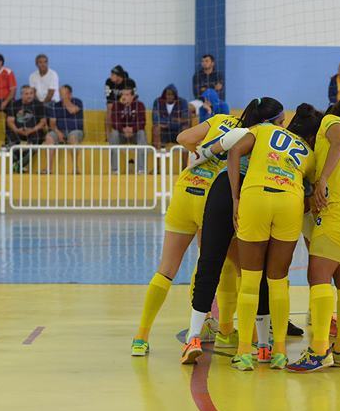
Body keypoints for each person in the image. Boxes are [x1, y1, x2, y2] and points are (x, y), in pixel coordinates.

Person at [180, 98, 287, 365]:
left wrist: (199, 158)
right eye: (281, 122)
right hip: (251, 193)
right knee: (255, 270)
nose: (283, 127)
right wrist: (237, 196)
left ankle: (193, 335)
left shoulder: (239, 132)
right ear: (273, 122)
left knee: (209, 263)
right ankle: (263, 344)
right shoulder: (268, 135)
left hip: (221, 192)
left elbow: (203, 151)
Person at [130, 112, 243, 357]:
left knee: (166, 269)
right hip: (211, 195)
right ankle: (224, 330)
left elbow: (183, 137)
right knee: (213, 263)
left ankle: (141, 337)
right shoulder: (251, 134)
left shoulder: (221, 119)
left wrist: (198, 153)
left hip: (186, 188)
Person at [227, 104, 324, 371]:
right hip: (289, 202)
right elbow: (310, 195)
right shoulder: (310, 154)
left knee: (249, 280)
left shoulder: (265, 129)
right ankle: (279, 352)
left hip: (256, 196)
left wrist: (235, 197)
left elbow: (234, 151)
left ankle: (245, 352)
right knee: (278, 280)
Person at [286, 98, 340, 373]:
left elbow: (337, 142)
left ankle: (319, 350)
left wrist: (321, 179)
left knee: (318, 277)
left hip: (339, 209)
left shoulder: (332, 123)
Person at [43, 85, 84, 174]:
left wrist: (65, 100)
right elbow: (52, 123)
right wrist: (58, 133)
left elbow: (72, 110)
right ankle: (48, 168)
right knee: (49, 137)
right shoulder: (55, 106)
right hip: (59, 130)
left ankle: (75, 168)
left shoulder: (77, 102)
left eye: (64, 94)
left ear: (70, 94)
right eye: (60, 94)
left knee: (73, 137)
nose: (61, 96)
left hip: (75, 130)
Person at [6, 86, 47, 171]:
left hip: (34, 131)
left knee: (35, 145)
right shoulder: (14, 104)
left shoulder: (39, 105)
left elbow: (43, 122)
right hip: (17, 131)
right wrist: (17, 130)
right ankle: (18, 164)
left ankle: (19, 165)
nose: (29, 96)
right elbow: (10, 121)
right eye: (26, 94)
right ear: (21, 95)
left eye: (31, 93)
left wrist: (32, 130)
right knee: (10, 142)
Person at [108, 87, 147, 174]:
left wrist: (132, 129)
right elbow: (114, 122)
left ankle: (141, 170)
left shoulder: (139, 105)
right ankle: (115, 170)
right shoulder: (116, 105)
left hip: (135, 134)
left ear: (133, 96)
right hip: (121, 134)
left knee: (141, 133)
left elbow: (142, 122)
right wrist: (123, 129)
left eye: (127, 94)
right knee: (114, 134)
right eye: (122, 94)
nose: (124, 97)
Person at [152, 84, 190, 149]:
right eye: (168, 94)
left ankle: (184, 159)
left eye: (172, 94)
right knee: (156, 128)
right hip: (164, 132)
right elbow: (155, 120)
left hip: (178, 131)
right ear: (164, 95)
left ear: (175, 95)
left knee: (185, 129)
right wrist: (174, 120)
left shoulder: (182, 102)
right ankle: (157, 157)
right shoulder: (158, 102)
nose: (169, 96)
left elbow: (185, 120)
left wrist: (166, 123)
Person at [104, 65, 137, 137]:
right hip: (115, 104)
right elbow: (109, 98)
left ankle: (131, 132)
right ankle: (108, 136)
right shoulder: (108, 82)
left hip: (129, 103)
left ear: (119, 76)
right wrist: (120, 102)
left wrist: (125, 101)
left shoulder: (130, 82)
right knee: (109, 106)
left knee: (137, 106)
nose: (110, 77)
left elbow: (134, 97)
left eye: (112, 75)